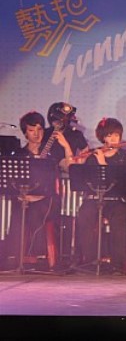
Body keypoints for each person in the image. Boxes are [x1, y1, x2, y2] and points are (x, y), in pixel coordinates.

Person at [75, 118, 126, 275]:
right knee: (84, 214)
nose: (113, 139)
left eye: (116, 135)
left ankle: (118, 264)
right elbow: (84, 181)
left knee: (120, 216)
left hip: (116, 200)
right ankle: (89, 261)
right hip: (94, 199)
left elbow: (122, 182)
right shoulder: (93, 156)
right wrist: (81, 162)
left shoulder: (125, 156)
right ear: (103, 137)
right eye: (109, 135)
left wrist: (102, 162)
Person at [2, 111, 59, 269]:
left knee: (35, 211)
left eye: (40, 129)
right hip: (24, 198)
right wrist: (21, 196)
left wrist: (36, 197)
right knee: (18, 211)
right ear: (25, 132)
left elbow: (52, 184)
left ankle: (38, 257)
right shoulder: (19, 154)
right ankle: (14, 256)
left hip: (46, 200)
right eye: (31, 130)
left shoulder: (50, 154)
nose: (36, 134)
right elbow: (12, 182)